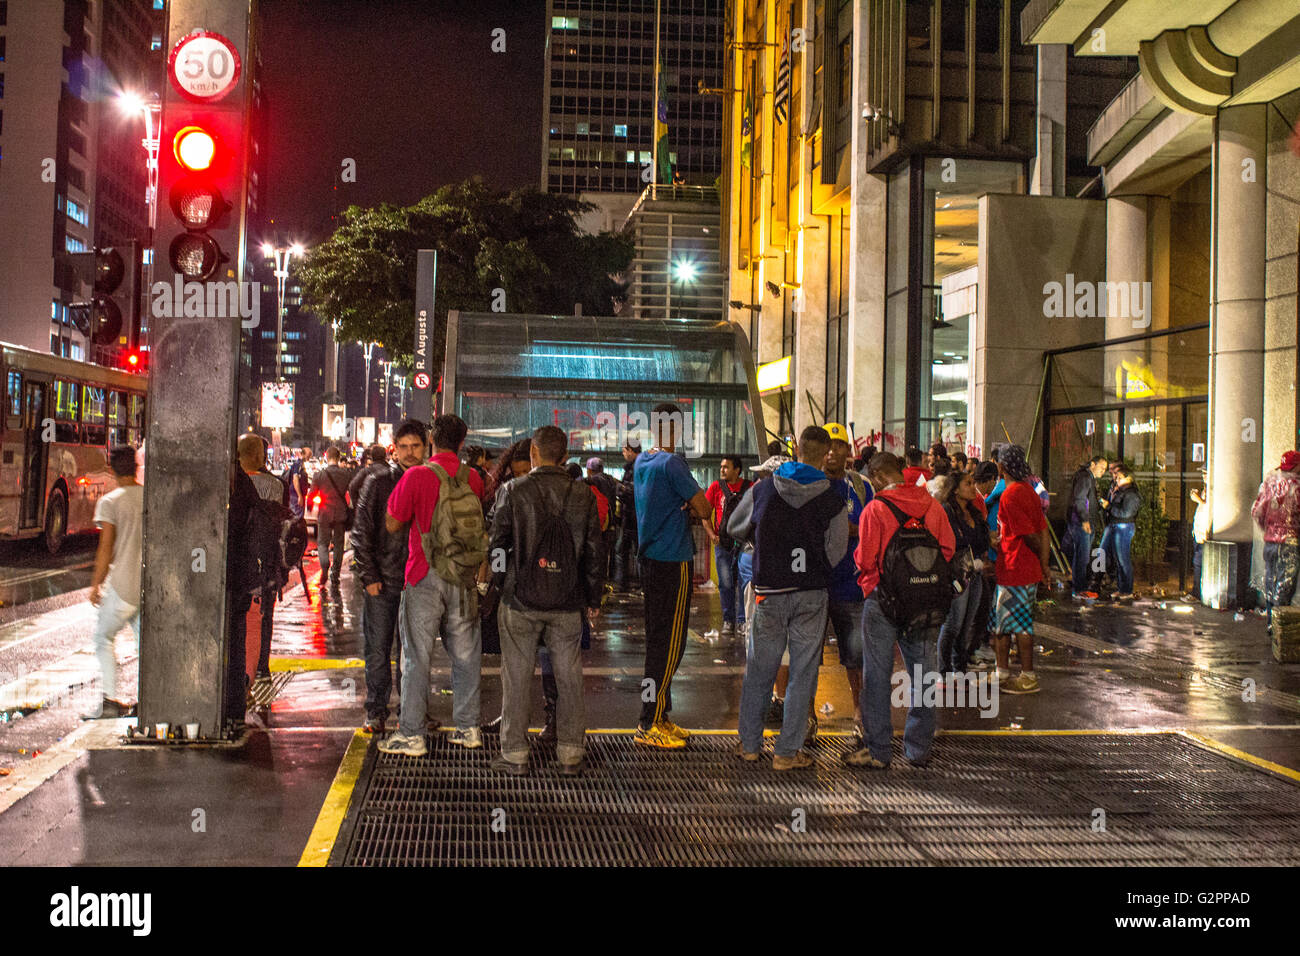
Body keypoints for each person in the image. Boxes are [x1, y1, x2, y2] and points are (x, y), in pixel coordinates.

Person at [488, 426, 605, 777]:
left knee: (517, 676)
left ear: (534, 454)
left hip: (520, 600)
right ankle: (570, 754)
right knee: (569, 678)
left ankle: (515, 754)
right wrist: (593, 598)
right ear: (565, 456)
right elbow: (595, 552)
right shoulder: (583, 496)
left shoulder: (513, 490)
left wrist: (499, 584)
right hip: (568, 601)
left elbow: (497, 546)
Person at [728, 426, 847, 769]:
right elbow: (837, 550)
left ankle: (750, 745)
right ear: (826, 454)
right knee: (803, 673)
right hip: (811, 593)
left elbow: (734, 527)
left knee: (760, 671)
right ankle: (787, 752)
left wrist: (762, 542)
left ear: (796, 449)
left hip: (769, 592)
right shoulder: (832, 498)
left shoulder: (764, 488)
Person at [379, 414, 487, 756]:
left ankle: (412, 734)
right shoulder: (474, 477)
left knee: (416, 656)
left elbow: (394, 523)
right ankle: (468, 728)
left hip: (423, 574)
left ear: (431, 441)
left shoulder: (417, 475)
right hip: (463, 575)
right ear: (462, 442)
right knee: (467, 655)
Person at [844, 452, 955, 769]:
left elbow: (865, 560)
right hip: (926, 604)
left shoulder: (875, 509)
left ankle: (878, 751)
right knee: (923, 675)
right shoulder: (932, 506)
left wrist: (873, 584)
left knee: (877, 676)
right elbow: (947, 549)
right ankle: (918, 749)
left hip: (883, 603)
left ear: (877, 475)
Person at [632, 402, 712, 749]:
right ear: (676, 429)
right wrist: (691, 505)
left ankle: (659, 714)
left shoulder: (642, 461)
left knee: (658, 639)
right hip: (673, 558)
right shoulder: (672, 462)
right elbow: (705, 506)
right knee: (672, 643)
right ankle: (650, 721)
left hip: (650, 558)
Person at [352, 420, 427, 736]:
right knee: (379, 650)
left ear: (426, 447)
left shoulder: (429, 479)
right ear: (395, 447)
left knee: (414, 654)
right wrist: (368, 575)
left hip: (417, 581)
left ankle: (411, 713)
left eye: (416, 447)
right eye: (405, 447)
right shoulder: (379, 481)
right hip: (383, 580)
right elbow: (361, 531)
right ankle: (376, 710)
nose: (410, 453)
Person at [84, 446, 144, 719]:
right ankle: (147, 701)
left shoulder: (110, 502)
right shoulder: (149, 497)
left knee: (103, 638)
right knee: (144, 645)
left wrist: (96, 584)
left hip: (122, 586)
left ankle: (110, 700)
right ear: (135, 468)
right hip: (147, 587)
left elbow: (105, 548)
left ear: (111, 470)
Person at [237, 434, 290, 728]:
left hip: (239, 562)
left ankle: (239, 672)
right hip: (266, 562)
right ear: (260, 455)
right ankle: (262, 669)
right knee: (264, 616)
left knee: (240, 618)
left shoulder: (232, 483)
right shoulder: (274, 485)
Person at [821, 423, 871, 738]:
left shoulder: (861, 486)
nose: (833, 451)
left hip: (852, 587)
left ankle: (860, 713)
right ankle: (806, 718)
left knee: (856, 656)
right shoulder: (809, 483)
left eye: (839, 445)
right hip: (815, 586)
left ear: (847, 451)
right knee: (807, 655)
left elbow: (874, 523)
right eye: (828, 445)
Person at [990, 445, 1050, 694]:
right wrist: (1044, 565)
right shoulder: (1028, 491)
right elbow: (1043, 530)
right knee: (1003, 624)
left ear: (1002, 466)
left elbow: (1031, 535)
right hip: (1019, 567)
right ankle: (1002, 672)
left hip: (1016, 568)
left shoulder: (1011, 494)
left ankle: (1028, 676)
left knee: (1019, 624)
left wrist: (1038, 559)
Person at [934, 472, 991, 674]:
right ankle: (944, 670)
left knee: (967, 623)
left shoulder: (975, 513)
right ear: (955, 489)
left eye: (973, 483)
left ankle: (960, 667)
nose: (973, 487)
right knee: (953, 624)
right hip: (957, 574)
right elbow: (951, 543)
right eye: (968, 483)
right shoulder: (947, 511)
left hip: (975, 574)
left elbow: (983, 541)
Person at [224, 455, 261, 730]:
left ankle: (229, 705)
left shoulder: (229, 484)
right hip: (242, 576)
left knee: (230, 639)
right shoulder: (244, 483)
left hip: (228, 576)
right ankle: (235, 705)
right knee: (236, 639)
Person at [704, 456, 752, 634]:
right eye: (721, 467)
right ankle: (728, 620)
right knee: (725, 583)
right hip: (722, 543)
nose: (722, 470)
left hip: (743, 544)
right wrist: (711, 535)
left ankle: (741, 620)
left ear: (737, 470)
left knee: (742, 582)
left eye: (726, 467)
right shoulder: (716, 487)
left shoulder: (749, 488)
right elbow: (704, 512)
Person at [1251, 451, 1300, 613]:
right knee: (1285, 586)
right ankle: (1280, 623)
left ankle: (1272, 623)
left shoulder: (1270, 484)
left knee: (1271, 583)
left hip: (1271, 542)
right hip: (1291, 543)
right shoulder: (1297, 486)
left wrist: (1269, 529)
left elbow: (1257, 511)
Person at [309, 446, 351, 596]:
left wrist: (310, 505)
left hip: (324, 513)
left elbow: (312, 494)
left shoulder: (319, 475)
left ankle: (325, 565)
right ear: (339, 457)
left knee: (322, 543)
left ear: (326, 456)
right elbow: (350, 492)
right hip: (340, 513)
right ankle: (335, 574)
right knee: (339, 544)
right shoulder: (345, 474)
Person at [1065, 455, 1108, 599]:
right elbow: (1080, 499)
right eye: (1102, 468)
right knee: (1082, 557)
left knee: (1082, 556)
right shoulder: (1085, 477)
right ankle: (1079, 589)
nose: (1103, 471)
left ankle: (1079, 588)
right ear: (1093, 464)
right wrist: (1084, 520)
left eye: (1105, 469)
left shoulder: (1089, 478)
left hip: (1086, 522)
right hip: (1082, 523)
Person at [1099, 465, 1141, 600]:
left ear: (1128, 478)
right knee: (1117, 558)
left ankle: (1126, 589)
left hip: (1123, 527)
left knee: (1123, 559)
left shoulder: (1132, 493)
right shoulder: (1120, 491)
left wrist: (1108, 507)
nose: (1116, 479)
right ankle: (1121, 588)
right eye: (1116, 477)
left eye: (1119, 477)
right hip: (1115, 525)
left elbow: (1126, 513)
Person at [615, 441, 640, 589]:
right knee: (632, 551)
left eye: (624, 451)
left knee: (624, 551)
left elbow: (631, 491)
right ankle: (639, 583)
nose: (623, 454)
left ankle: (622, 583)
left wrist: (619, 488)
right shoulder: (635, 467)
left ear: (631, 450)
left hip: (632, 517)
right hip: (633, 517)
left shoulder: (636, 468)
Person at [1187, 472, 1209, 601]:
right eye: (1202, 473)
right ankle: (1197, 591)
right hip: (1199, 533)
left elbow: (1210, 508)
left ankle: (1197, 593)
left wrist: (1199, 500)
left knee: (1199, 563)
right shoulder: (1206, 488)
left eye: (1205, 473)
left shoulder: (1213, 488)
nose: (1203, 475)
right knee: (1197, 563)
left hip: (1204, 534)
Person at [350, 443, 388, 508]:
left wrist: (357, 505)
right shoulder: (392, 471)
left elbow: (352, 487)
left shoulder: (366, 471)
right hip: (388, 511)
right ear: (385, 456)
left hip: (368, 510)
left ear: (372, 457)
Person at [285, 446, 310, 517]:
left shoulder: (300, 465)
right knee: (297, 519)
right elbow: (295, 479)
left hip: (296, 496)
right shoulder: (298, 464)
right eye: (308, 456)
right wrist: (300, 496)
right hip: (296, 496)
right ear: (303, 454)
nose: (309, 458)